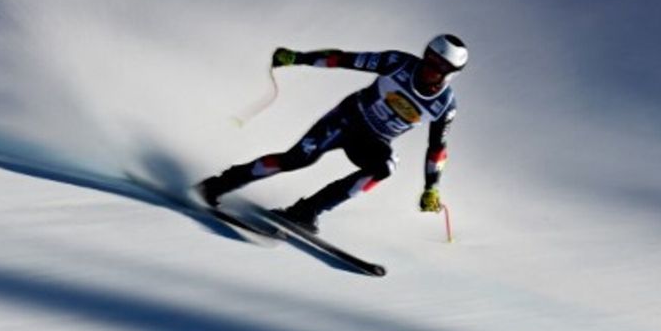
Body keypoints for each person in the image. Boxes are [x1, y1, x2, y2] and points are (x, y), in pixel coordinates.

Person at [197, 34, 467, 231]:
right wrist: (299, 58)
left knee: (385, 167)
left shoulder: (445, 106)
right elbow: (344, 59)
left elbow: (437, 148)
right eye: (427, 59)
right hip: (347, 119)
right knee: (298, 159)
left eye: (437, 67)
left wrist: (432, 187)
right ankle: (217, 185)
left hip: (373, 141)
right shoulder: (397, 62)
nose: (427, 69)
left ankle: (306, 212)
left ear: (449, 74)